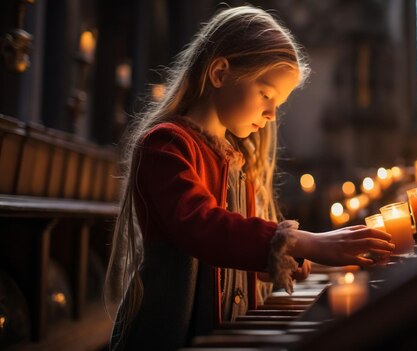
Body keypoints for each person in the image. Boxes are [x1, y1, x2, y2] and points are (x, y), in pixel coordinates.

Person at [104, 5, 394, 350]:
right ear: (220, 72)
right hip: (167, 334)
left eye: (278, 103)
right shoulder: (166, 144)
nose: (272, 114)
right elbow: (202, 227)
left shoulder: (238, 160)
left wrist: (278, 262)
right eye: (266, 94)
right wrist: (308, 242)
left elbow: (232, 254)